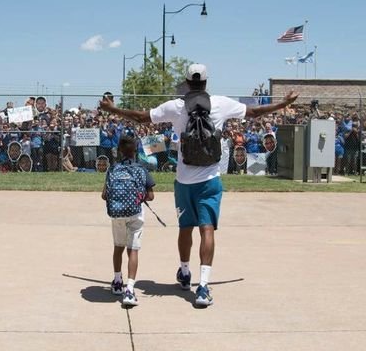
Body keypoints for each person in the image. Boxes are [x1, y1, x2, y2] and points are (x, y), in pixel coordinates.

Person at [100, 63, 298, 307]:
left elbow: (142, 117)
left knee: (185, 228)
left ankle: (185, 272)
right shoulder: (221, 103)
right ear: (206, 82)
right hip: (210, 180)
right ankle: (203, 287)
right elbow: (255, 113)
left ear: (187, 82)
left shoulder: (176, 106)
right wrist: (282, 104)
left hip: (184, 181)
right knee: (207, 230)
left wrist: (112, 108)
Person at [101, 135, 155, 307]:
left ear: (119, 151)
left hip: (117, 214)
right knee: (133, 250)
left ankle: (117, 281)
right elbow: (151, 196)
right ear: (135, 151)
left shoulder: (112, 169)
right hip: (135, 214)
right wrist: (139, 195)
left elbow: (104, 195)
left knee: (118, 247)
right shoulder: (141, 169)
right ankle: (130, 290)